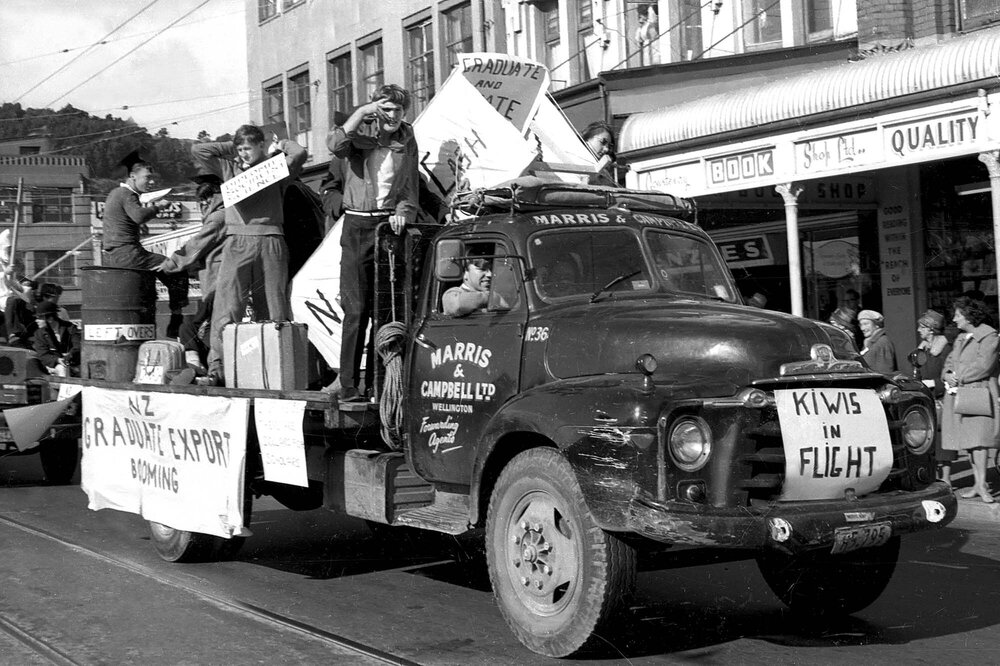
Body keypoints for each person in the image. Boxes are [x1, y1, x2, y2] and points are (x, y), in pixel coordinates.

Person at [192, 124, 308, 382]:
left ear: (260, 146)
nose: (244, 153)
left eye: (249, 147)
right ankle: (218, 366)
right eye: (241, 148)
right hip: (237, 240)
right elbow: (198, 150)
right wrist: (231, 146)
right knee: (228, 302)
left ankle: (278, 367)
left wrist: (278, 145)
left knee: (273, 303)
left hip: (270, 239)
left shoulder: (275, 168)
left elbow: (299, 153)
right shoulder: (229, 168)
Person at [328, 84, 419, 400]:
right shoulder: (360, 130)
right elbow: (335, 145)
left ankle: (378, 384)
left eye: (398, 110)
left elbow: (409, 187)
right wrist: (361, 114)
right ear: (375, 109)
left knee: (384, 308)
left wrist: (403, 212)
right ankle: (349, 384)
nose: (392, 116)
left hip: (386, 226)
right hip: (356, 226)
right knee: (356, 309)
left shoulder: (406, 137)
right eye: (386, 109)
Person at [101, 151, 189, 338]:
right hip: (130, 255)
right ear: (132, 177)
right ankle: (176, 317)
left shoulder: (115, 193)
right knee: (176, 269)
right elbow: (139, 216)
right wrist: (159, 207)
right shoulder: (127, 194)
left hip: (114, 256)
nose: (151, 182)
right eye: (147, 178)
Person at [159, 175, 228, 372]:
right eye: (201, 199)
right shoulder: (225, 215)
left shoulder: (218, 218)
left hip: (218, 281)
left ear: (218, 195)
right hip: (215, 280)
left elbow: (196, 245)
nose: (204, 203)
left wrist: (171, 263)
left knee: (212, 326)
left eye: (208, 197)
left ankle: (209, 367)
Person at [941, 296, 998, 503]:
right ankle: (977, 483)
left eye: (957, 315)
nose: (955, 320)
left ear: (968, 315)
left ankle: (982, 485)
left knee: (980, 440)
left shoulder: (988, 336)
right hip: (961, 393)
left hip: (978, 393)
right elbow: (949, 362)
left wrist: (959, 376)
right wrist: (947, 374)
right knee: (970, 441)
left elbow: (985, 365)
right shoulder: (960, 338)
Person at [915, 309, 955, 484]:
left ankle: (946, 478)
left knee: (943, 440)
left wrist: (933, 383)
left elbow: (950, 372)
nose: (918, 330)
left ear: (930, 329)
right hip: (926, 398)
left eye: (921, 327)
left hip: (942, 398)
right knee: (928, 438)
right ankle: (932, 475)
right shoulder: (922, 349)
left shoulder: (945, 349)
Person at [29, 300, 80, 377]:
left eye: (40, 318)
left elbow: (77, 346)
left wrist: (69, 356)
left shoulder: (70, 328)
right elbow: (43, 354)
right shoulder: (39, 334)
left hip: (73, 362)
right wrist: (57, 360)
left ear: (50, 318)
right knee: (62, 370)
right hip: (53, 366)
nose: (36, 321)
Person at [858, 309, 897, 373]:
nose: (862, 328)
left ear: (876, 325)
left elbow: (885, 372)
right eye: (861, 325)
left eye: (866, 324)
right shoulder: (870, 342)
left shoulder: (883, 342)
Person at [5, 276, 37, 348]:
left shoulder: (31, 305)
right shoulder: (13, 301)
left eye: (31, 286)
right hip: (17, 338)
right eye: (27, 285)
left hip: (29, 339)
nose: (31, 289)